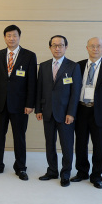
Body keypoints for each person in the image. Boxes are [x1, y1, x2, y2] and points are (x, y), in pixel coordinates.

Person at [0, 25, 37, 181]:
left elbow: (32, 82)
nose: (11, 38)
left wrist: (30, 104)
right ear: (4, 37)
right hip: (1, 104)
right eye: (8, 35)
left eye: (14, 35)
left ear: (19, 37)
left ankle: (21, 168)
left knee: (19, 137)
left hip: (20, 105)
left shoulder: (29, 56)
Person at [36, 35, 82, 187]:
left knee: (67, 146)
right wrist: (38, 109)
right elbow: (39, 90)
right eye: (54, 45)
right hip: (47, 112)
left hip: (65, 115)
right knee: (50, 144)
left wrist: (71, 113)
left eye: (60, 45)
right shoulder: (43, 66)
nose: (57, 48)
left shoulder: (73, 67)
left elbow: (75, 93)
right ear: (50, 47)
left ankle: (66, 173)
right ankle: (52, 171)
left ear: (66, 47)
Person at [72, 37, 102, 189]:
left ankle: (96, 175)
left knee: (99, 145)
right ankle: (82, 172)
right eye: (92, 46)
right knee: (81, 143)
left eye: (98, 46)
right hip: (81, 109)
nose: (95, 49)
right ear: (87, 48)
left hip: (100, 112)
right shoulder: (78, 66)